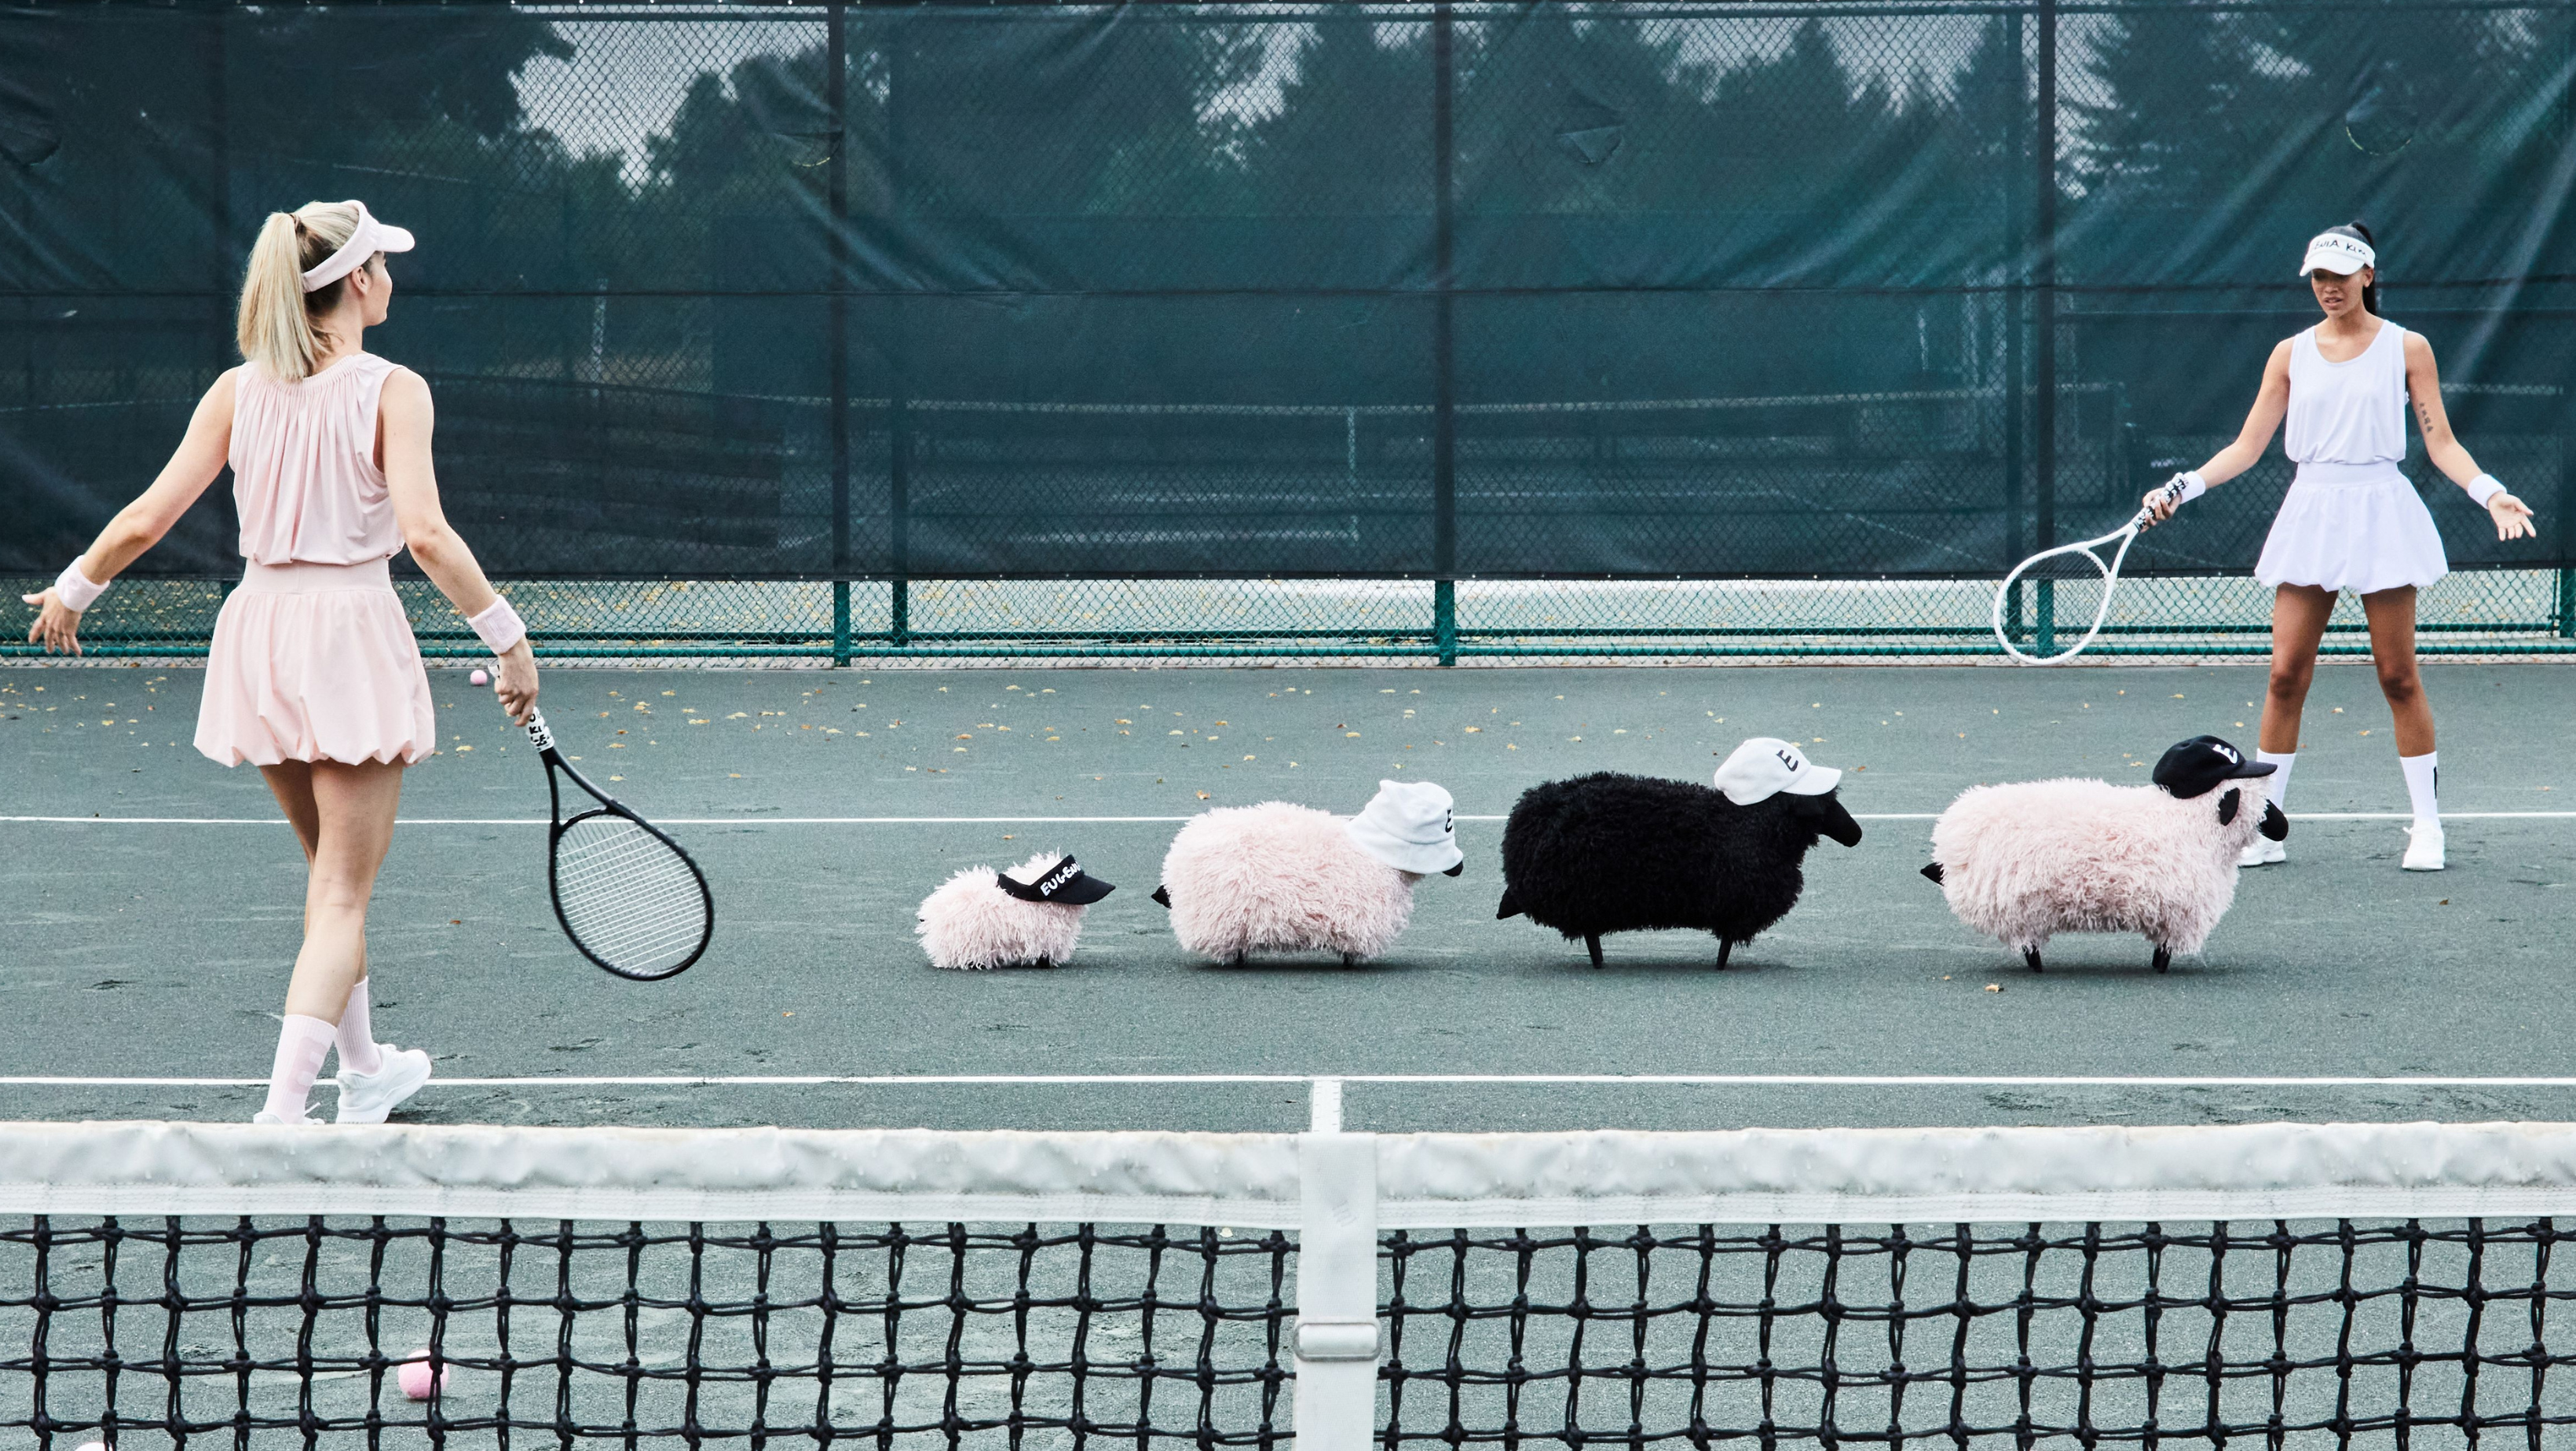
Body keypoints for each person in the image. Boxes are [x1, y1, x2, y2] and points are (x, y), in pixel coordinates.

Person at [20, 199, 540, 1124]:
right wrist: (510, 639)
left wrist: (75, 588)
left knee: (326, 878)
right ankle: (280, 1117)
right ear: (359, 281)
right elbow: (423, 533)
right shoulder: (396, 387)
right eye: (383, 262)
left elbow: (146, 516)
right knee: (341, 890)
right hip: (344, 634)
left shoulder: (238, 388)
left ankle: (368, 1069)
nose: (391, 277)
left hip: (259, 629)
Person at [2142, 222, 2537, 872]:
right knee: (2285, 674)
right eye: (2318, 277)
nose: (2328, 288)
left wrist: (2489, 492)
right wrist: (2182, 487)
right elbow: (2246, 447)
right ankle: (2267, 828)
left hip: (2382, 508)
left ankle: (2427, 827)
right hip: (2313, 511)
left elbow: (2440, 441)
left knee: (2397, 675)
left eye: (2340, 275)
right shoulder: (2289, 353)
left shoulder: (2409, 348)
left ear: (2368, 277)